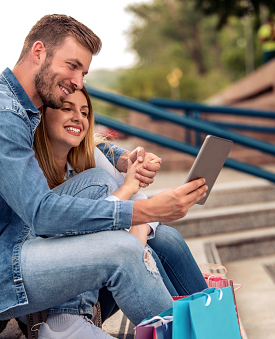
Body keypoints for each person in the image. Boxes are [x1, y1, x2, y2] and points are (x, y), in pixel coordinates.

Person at [0, 14, 208, 339]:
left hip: (10, 241)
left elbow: (75, 136)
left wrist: (123, 159)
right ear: (38, 52)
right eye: (72, 66)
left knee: (101, 186)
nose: (78, 81)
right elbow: (42, 213)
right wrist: (147, 210)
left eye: (83, 72)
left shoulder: (24, 104)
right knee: (122, 252)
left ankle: (206, 326)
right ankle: (74, 325)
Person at [31, 87, 207, 335]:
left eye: (84, 112)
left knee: (167, 238)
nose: (78, 118)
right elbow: (60, 228)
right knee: (138, 249)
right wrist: (124, 192)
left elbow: (139, 199)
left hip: (100, 280)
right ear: (42, 114)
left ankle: (209, 324)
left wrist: (139, 228)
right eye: (66, 108)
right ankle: (183, 331)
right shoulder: (29, 167)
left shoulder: (88, 155)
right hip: (55, 289)